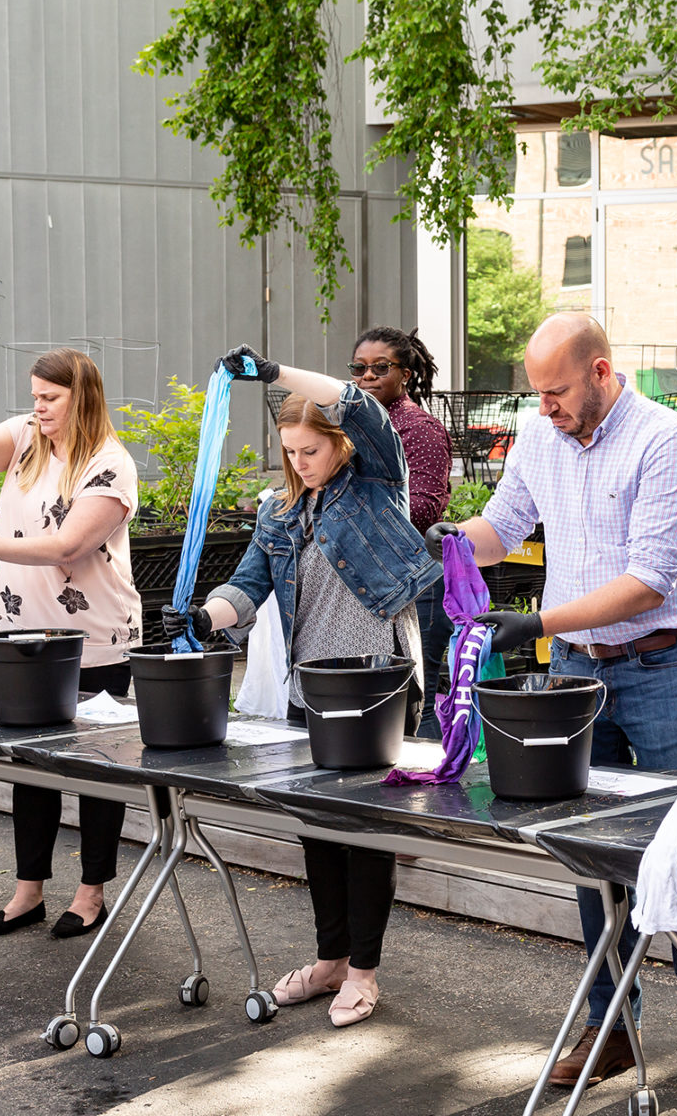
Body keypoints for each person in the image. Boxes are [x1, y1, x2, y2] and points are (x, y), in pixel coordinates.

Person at [425, 314, 677, 1107]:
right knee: (589, 859)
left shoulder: (665, 442)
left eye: (557, 390)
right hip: (574, 671)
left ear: (601, 372)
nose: (546, 406)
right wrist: (455, 540)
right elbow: (506, 526)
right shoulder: (539, 436)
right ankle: (610, 1029)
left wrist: (537, 622)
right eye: (538, 393)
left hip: (659, 664)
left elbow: (648, 582)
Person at [164, 345, 439, 1029]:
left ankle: (366, 971)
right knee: (317, 829)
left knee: (366, 829)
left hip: (376, 680)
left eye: (310, 451)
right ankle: (331, 960)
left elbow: (363, 406)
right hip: (310, 685)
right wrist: (204, 614)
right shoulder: (282, 512)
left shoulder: (379, 480)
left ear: (341, 445)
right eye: (289, 451)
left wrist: (274, 372)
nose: (298, 463)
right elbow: (249, 585)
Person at [0, 348, 143, 940]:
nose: (39, 407)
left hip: (95, 642)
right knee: (29, 767)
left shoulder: (110, 463)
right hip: (22, 635)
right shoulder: (27, 437)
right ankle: (28, 891)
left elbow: (68, 546)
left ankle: (91, 892)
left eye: (50, 398)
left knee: (98, 772)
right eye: (35, 396)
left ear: (82, 398)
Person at [350, 326, 453, 734]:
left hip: (418, 583)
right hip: (373, 581)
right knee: (379, 695)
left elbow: (427, 507)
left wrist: (355, 507)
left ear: (405, 374)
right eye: (359, 368)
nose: (368, 376)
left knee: (418, 699)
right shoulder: (352, 424)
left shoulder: (416, 429)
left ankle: (430, 791)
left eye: (381, 367)